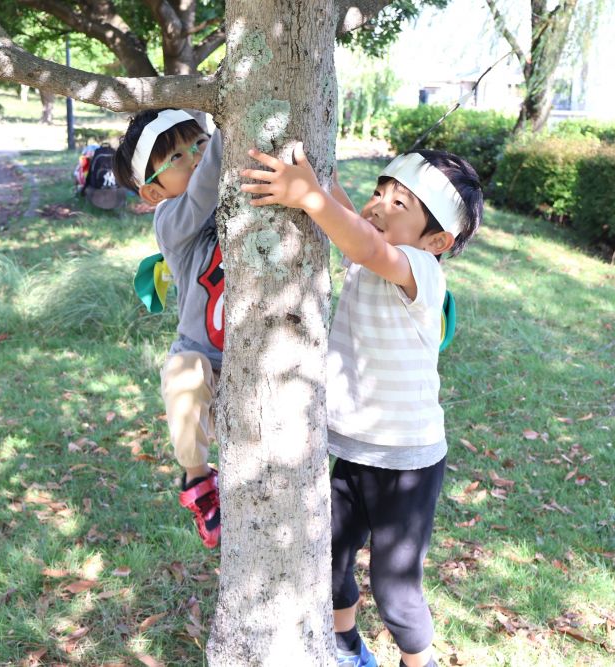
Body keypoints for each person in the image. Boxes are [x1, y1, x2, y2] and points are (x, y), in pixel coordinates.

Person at [241, 145, 483, 667]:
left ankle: (418, 662)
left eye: (400, 203)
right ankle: (347, 645)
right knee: (328, 556)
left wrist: (310, 195)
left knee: (395, 591)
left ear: (437, 240)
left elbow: (367, 248)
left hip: (408, 461)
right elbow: (353, 224)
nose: (377, 205)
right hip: (355, 447)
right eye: (379, 192)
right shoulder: (373, 238)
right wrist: (319, 176)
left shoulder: (420, 270)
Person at [114, 109, 224, 548]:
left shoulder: (233, 194)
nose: (195, 157)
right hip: (201, 351)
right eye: (177, 156)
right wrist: (227, 127)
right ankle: (198, 479)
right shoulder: (172, 218)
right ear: (153, 191)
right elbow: (202, 193)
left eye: (199, 142)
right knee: (183, 379)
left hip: (251, 353)